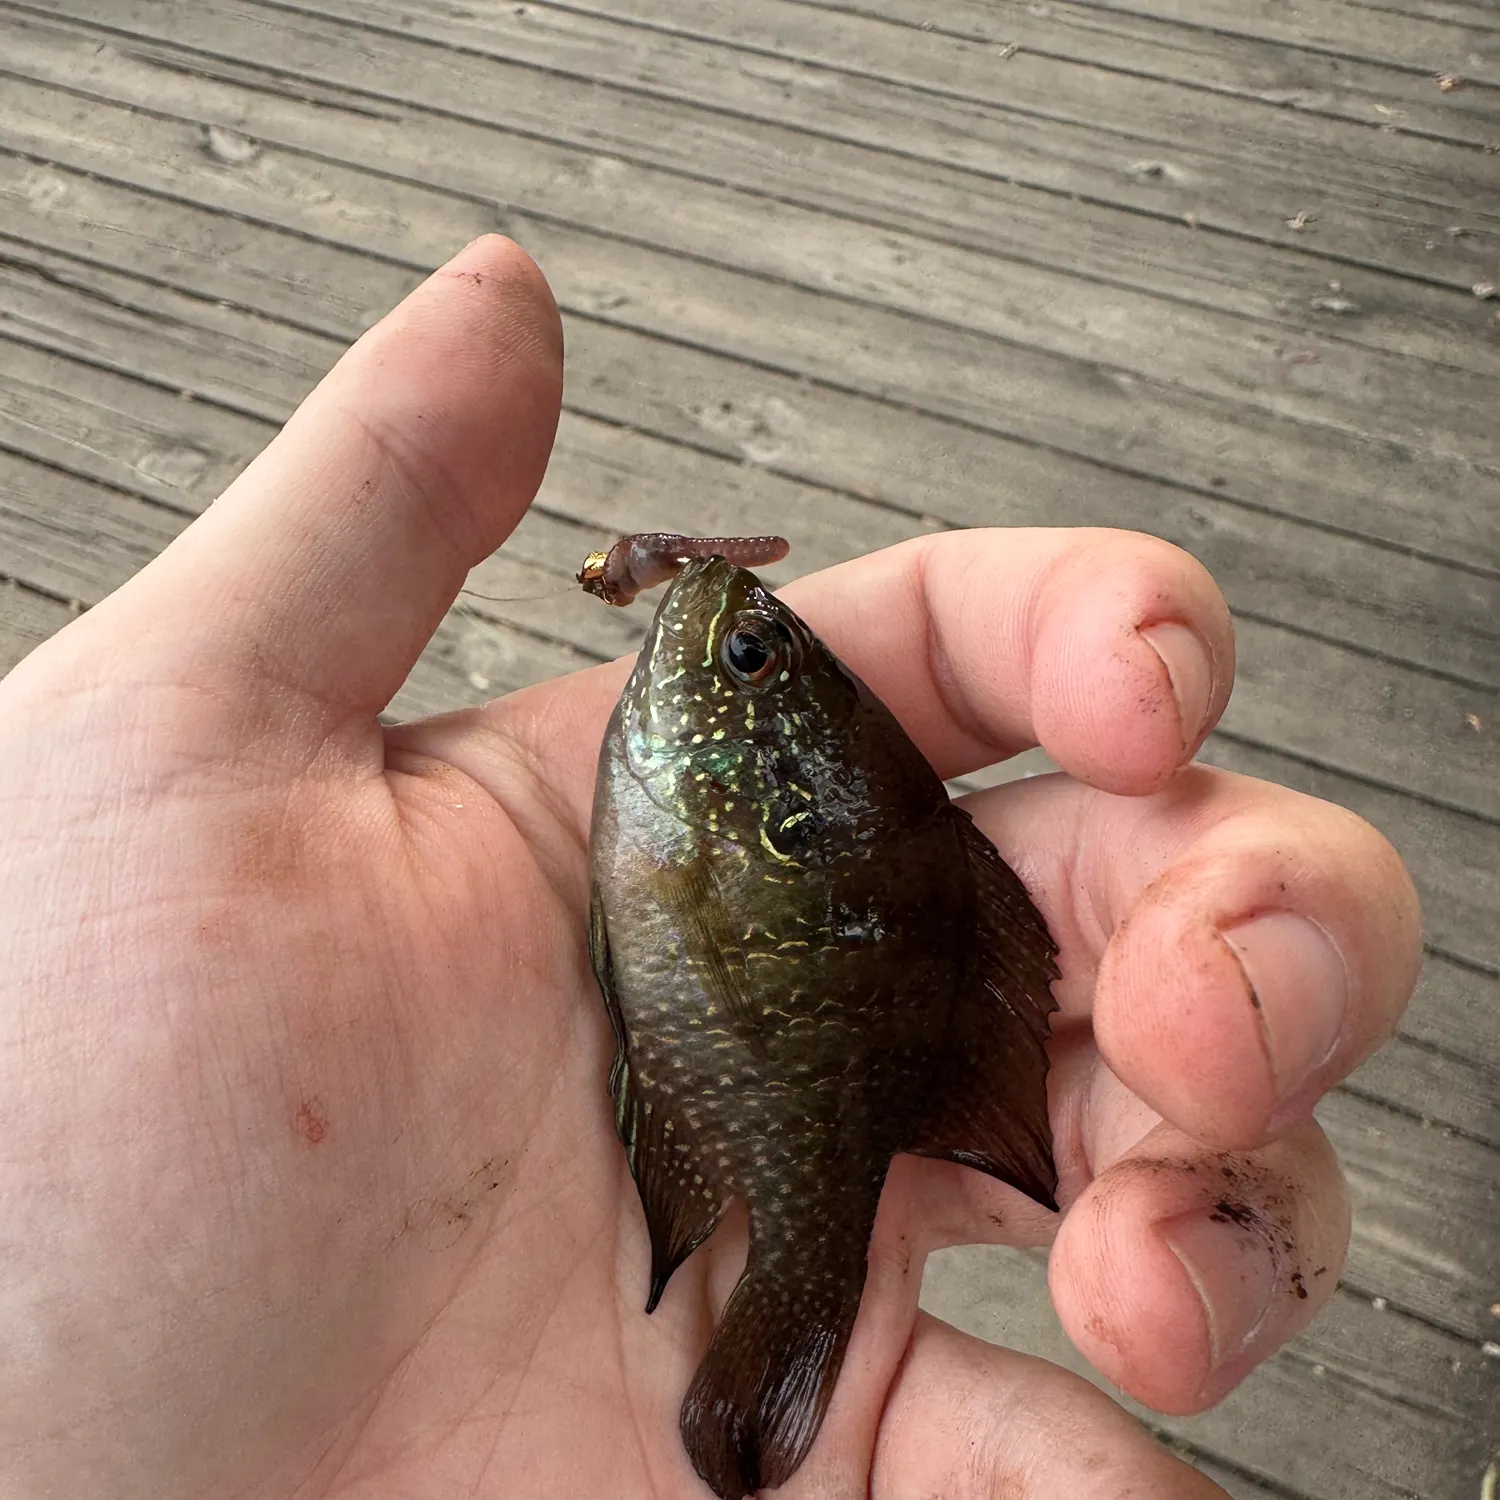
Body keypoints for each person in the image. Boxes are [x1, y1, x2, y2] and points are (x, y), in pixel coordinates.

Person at [0, 237, 1420, 1499]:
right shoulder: (694, 784)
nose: (726, 622)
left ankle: (803, 1269)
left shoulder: (690, 785)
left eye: (746, 654)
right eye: (757, 651)